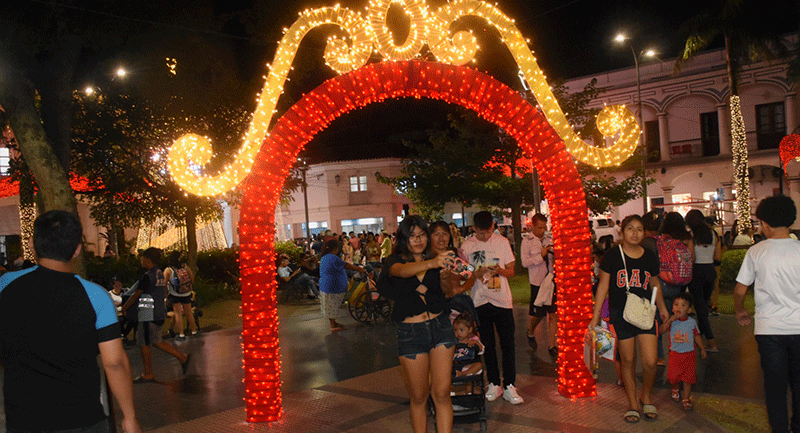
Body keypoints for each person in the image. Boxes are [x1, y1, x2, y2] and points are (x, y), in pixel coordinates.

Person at [0, 210, 141, 432]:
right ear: (77, 249)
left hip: (23, 421)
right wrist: (129, 417)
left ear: (32, 243)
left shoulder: (6, 286)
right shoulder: (95, 296)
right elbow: (114, 362)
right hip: (82, 420)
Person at [377, 215, 456, 433]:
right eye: (412, 236)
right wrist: (432, 263)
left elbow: (447, 291)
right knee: (419, 397)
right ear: (404, 239)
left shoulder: (435, 258)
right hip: (411, 333)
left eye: (422, 235)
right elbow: (401, 272)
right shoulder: (394, 261)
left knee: (442, 393)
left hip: (441, 327)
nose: (418, 240)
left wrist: (444, 277)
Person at [589, 215, 669, 423]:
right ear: (622, 231)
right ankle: (633, 403)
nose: (635, 233)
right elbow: (603, 287)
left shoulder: (649, 256)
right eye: (630, 228)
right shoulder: (612, 256)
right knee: (628, 360)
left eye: (639, 229)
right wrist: (595, 318)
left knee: (651, 361)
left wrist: (662, 308)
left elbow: (655, 284)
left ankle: (646, 396)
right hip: (620, 314)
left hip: (645, 313)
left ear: (645, 233)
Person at [734, 195, 800, 433]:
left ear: (766, 224)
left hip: (769, 329)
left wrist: (740, 310)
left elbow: (740, 289)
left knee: (775, 387)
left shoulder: (756, 252)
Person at [459, 211, 523, 404]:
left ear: (493, 227)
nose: (485, 236)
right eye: (480, 233)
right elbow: (462, 270)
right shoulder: (467, 245)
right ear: (474, 229)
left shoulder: (502, 242)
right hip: (480, 300)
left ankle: (509, 384)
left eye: (487, 232)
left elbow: (511, 270)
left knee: (507, 343)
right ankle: (494, 382)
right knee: (487, 344)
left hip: (502, 300)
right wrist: (474, 273)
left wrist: (500, 270)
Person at [121, 247, 191, 383]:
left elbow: (137, 294)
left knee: (143, 342)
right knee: (156, 340)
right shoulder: (159, 273)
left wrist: (125, 307)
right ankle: (182, 357)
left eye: (142, 258)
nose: (141, 260)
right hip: (159, 311)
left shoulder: (148, 276)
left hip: (148, 313)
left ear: (148, 260)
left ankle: (148, 373)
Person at [660, 292, 707, 411]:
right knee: (673, 376)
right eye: (676, 304)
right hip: (675, 355)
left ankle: (686, 398)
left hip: (689, 355)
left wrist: (702, 348)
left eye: (683, 305)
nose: (679, 308)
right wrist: (669, 321)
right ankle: (675, 389)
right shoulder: (672, 321)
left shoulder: (691, 322)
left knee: (688, 378)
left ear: (689, 310)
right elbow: (661, 330)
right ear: (672, 308)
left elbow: (696, 336)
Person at [685, 209, 721, 352]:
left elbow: (692, 257)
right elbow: (718, 257)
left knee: (700, 310)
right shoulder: (714, 234)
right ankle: (699, 340)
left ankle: (711, 343)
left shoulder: (691, 235)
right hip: (710, 271)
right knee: (703, 307)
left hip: (696, 272)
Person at [521, 214, 557, 355]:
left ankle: (551, 345)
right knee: (539, 314)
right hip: (538, 282)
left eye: (544, 227)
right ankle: (530, 331)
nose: (542, 230)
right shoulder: (527, 241)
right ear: (533, 226)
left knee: (553, 313)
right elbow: (525, 262)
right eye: (539, 227)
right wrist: (540, 256)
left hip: (551, 280)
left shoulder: (549, 239)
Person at [319, 240, 366, 332]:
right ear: (335, 249)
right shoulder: (333, 258)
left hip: (326, 286)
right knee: (333, 306)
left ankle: (333, 323)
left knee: (330, 306)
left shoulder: (324, 257)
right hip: (333, 286)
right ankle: (333, 326)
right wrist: (359, 269)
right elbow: (347, 266)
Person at [164, 253, 199, 338]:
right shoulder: (185, 266)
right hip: (186, 293)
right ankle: (194, 331)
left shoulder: (168, 270)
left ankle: (181, 333)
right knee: (189, 312)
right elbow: (192, 279)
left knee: (178, 313)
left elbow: (164, 283)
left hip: (175, 294)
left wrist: (166, 294)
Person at [452, 312, 484, 395]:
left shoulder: (473, 340)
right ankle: (451, 391)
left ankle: (468, 391)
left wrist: (476, 344)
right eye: (455, 330)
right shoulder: (453, 342)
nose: (458, 333)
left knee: (478, 365)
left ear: (469, 330)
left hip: (468, 365)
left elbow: (482, 350)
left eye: (461, 330)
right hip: (455, 364)